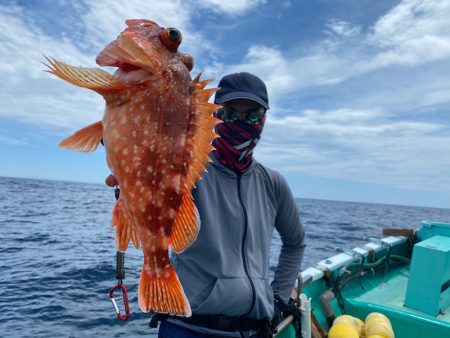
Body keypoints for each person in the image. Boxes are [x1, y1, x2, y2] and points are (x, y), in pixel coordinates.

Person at [107, 72, 305, 337]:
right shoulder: (187, 170)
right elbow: (153, 148)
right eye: (231, 114)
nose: (242, 122)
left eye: (253, 115)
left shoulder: (273, 183)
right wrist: (125, 147)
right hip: (188, 327)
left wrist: (279, 297)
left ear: (264, 119)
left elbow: (295, 242)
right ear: (214, 115)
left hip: (255, 329)